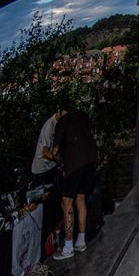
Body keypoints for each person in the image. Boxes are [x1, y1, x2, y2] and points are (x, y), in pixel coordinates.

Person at [52, 100, 99, 260]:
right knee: (80, 198)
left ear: (61, 111)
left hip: (75, 163)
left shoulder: (62, 121)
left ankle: (67, 247)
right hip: (91, 161)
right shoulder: (83, 116)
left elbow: (55, 151)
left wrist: (61, 165)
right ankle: (81, 241)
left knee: (66, 201)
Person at [29, 108, 62, 190]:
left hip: (52, 166)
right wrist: (61, 163)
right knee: (43, 195)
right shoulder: (50, 126)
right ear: (59, 111)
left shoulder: (60, 124)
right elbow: (46, 153)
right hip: (42, 169)